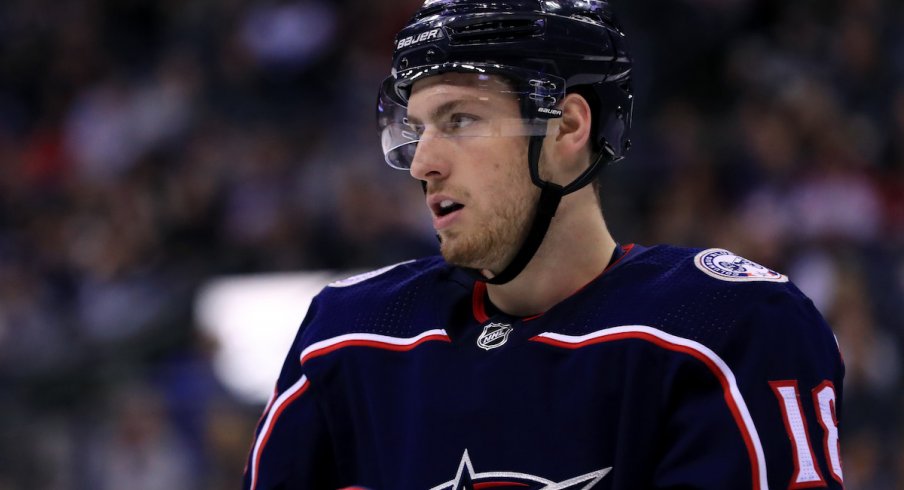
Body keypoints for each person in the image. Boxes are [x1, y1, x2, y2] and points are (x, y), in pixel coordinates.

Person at [243, 1, 845, 488]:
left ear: (567, 126)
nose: (423, 162)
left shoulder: (723, 326)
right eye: (417, 129)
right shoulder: (347, 338)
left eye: (460, 120)